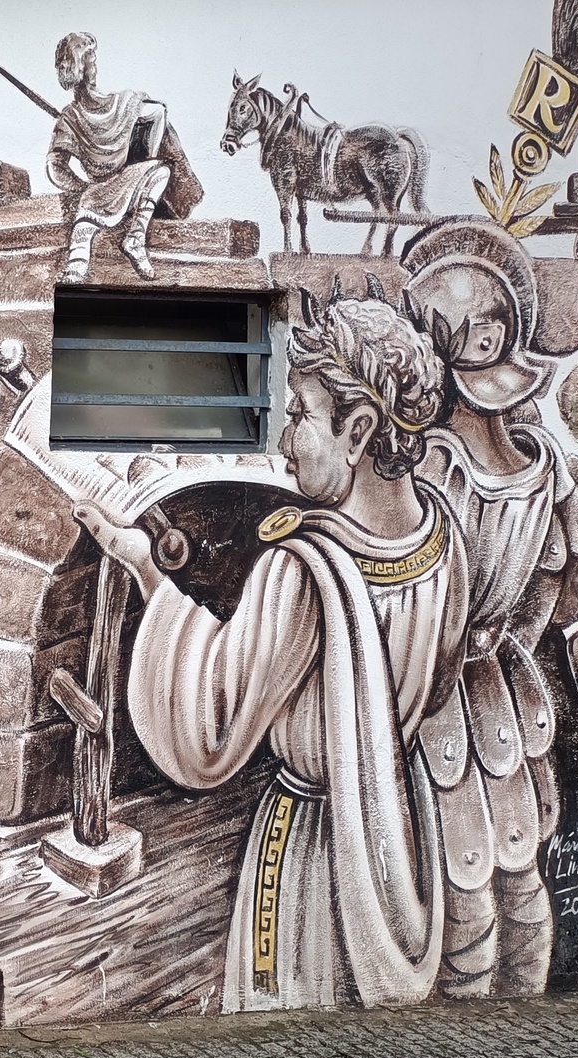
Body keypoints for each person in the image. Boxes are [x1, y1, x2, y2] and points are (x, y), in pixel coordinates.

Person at [76, 293, 467, 1011]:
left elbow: (211, 726)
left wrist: (146, 570)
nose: (283, 441)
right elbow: (437, 682)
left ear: (358, 430)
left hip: (312, 841)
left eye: (299, 415)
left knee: (289, 1010)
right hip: (395, 830)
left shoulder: (302, 569)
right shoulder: (442, 539)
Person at [406, 220, 578, 998]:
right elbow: (552, 569)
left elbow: (545, 569)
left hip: (453, 693)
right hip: (490, 684)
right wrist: (506, 638)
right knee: (495, 883)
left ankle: (490, 1038)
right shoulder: (527, 463)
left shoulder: (438, 467)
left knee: (491, 882)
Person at [45, 32, 196, 283]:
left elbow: (158, 113)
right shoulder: (70, 118)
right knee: (80, 245)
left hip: (126, 179)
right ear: (83, 66)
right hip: (97, 191)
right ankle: (76, 268)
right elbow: (54, 166)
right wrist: (81, 187)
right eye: (91, 59)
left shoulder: (120, 103)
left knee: (161, 171)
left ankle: (135, 239)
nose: (94, 65)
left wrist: (144, 159)